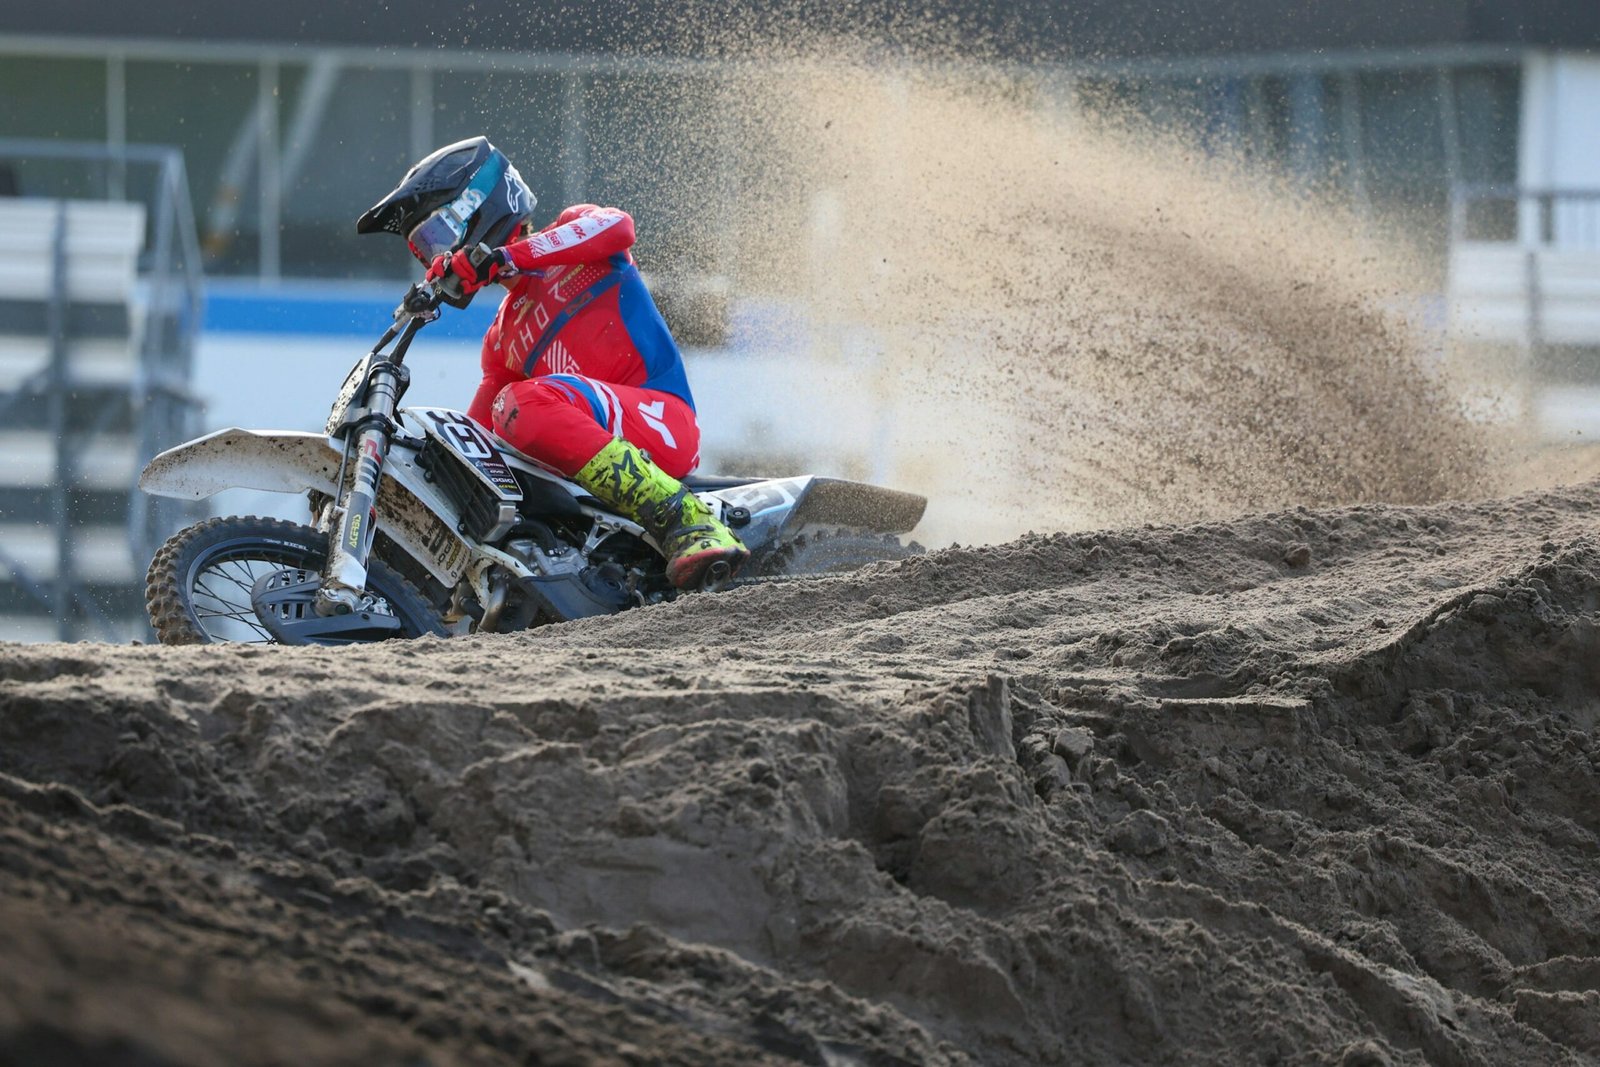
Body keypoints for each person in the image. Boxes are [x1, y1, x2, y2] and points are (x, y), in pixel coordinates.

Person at [357, 136, 748, 590]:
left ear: (477, 209)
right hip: (603, 443)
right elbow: (476, 443)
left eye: (437, 238)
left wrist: (504, 257)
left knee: (521, 404)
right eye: (425, 252)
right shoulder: (502, 337)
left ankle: (684, 516)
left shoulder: (576, 229)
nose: (437, 258)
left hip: (663, 421)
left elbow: (619, 228)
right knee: (478, 447)